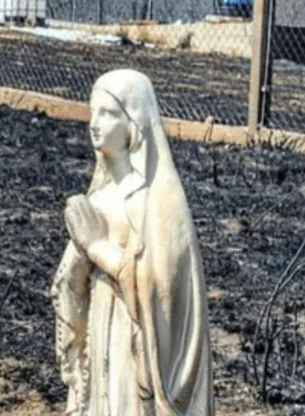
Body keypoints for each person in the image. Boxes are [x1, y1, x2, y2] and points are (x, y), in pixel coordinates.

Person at [50, 69, 214, 416]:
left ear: (135, 123)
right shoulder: (99, 196)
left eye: (108, 114)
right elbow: (69, 284)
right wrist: (78, 258)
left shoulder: (160, 201)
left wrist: (97, 249)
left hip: (134, 346)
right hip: (102, 331)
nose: (94, 124)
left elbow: (162, 287)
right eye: (93, 112)